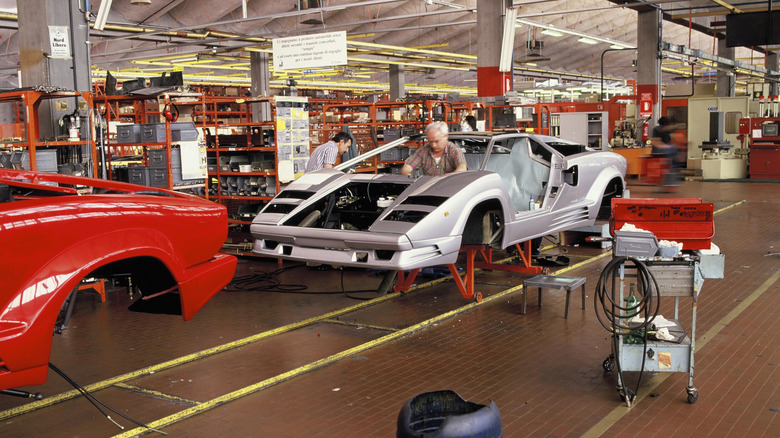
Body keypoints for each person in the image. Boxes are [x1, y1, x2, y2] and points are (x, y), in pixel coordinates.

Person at [401, 121, 467, 176]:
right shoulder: (423, 151)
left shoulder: (454, 151)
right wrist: (410, 176)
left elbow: (462, 168)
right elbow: (406, 168)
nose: (433, 145)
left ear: (446, 136)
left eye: (436, 141)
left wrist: (447, 179)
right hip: (428, 188)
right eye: (430, 142)